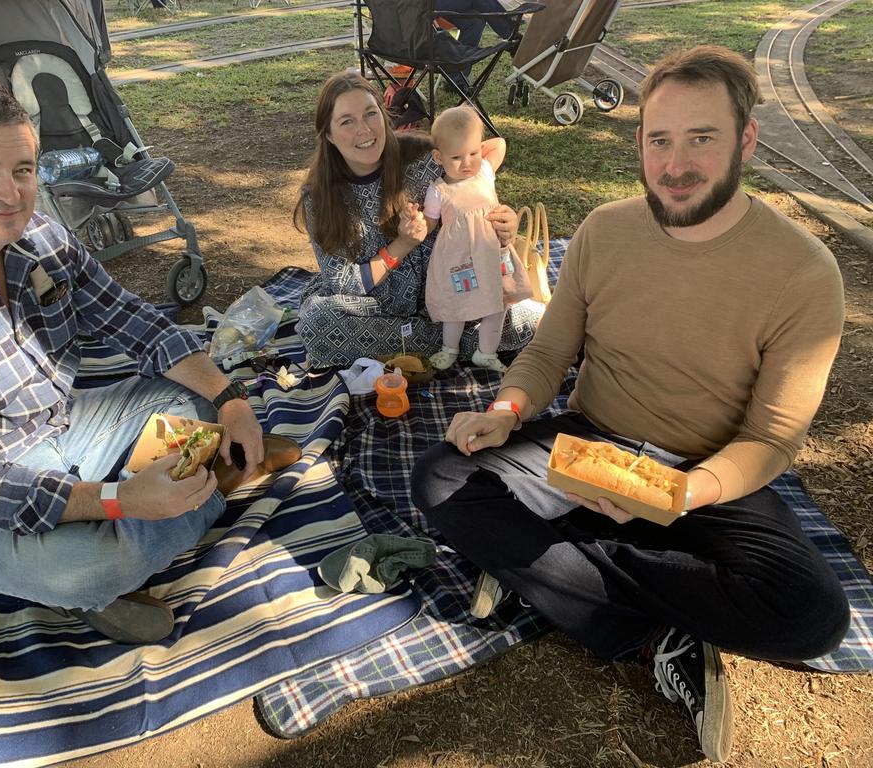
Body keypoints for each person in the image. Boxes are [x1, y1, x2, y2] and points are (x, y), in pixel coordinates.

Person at [410, 46, 850, 762]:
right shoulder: (604, 232)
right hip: (590, 445)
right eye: (659, 140)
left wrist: (686, 492)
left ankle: (546, 567)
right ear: (639, 141)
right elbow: (549, 354)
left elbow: (771, 440)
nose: (676, 165)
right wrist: (510, 410)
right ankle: (654, 637)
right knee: (440, 477)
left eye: (701, 138)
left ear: (745, 139)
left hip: (707, 473)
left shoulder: (803, 271)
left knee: (811, 614)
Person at [0, 76, 280, 645]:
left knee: (199, 392)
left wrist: (230, 402)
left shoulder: (40, 239)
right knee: (87, 568)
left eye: (23, 170)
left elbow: (136, 322)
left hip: (58, 427)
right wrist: (120, 498)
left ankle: (153, 504)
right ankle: (178, 506)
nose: (12, 193)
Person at [294, 70, 542, 367]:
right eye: (347, 121)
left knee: (537, 319)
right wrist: (402, 244)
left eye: (371, 114)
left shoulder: (425, 158)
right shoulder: (319, 197)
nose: (364, 130)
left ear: (384, 117)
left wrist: (505, 222)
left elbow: (478, 183)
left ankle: (444, 343)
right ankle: (461, 343)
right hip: (375, 307)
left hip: (454, 289)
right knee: (318, 322)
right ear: (330, 135)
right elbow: (342, 282)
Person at [424, 106, 532, 374]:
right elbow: (429, 223)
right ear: (438, 157)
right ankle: (450, 349)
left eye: (472, 153)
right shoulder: (439, 191)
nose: (467, 163)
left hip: (493, 254)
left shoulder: (483, 171)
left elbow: (499, 144)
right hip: (460, 259)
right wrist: (415, 223)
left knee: (497, 305)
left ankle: (486, 353)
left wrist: (473, 143)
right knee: (457, 307)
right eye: (457, 157)